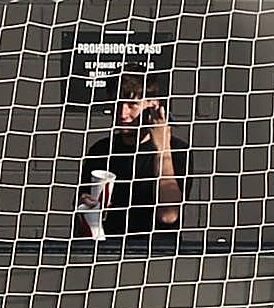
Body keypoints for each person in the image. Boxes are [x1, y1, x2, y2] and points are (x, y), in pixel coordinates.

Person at [78, 72, 192, 236]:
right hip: (109, 250)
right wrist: (87, 209)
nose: (123, 114)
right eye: (117, 104)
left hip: (159, 253)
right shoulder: (101, 150)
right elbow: (81, 215)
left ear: (153, 105)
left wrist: (162, 148)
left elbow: (168, 215)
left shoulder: (178, 151)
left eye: (132, 105)